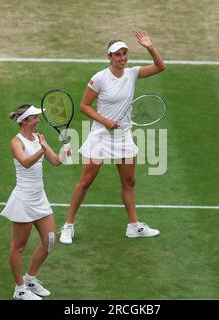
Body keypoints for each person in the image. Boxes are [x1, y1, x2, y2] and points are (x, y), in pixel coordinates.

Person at [59, 30, 166, 244]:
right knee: (85, 181)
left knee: (129, 181)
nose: (123, 58)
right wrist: (105, 121)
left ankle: (133, 226)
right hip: (101, 136)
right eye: (118, 54)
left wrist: (150, 47)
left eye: (125, 54)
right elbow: (84, 106)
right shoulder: (99, 78)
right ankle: (68, 226)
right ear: (110, 57)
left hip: (123, 137)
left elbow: (160, 67)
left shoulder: (133, 73)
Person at [1, 104, 71, 300]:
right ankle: (20, 289)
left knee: (49, 241)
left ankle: (30, 278)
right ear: (24, 121)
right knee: (19, 246)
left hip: (40, 199)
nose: (38, 120)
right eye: (34, 117)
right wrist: (41, 149)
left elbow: (55, 161)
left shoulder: (39, 138)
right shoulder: (16, 142)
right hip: (24, 200)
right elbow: (25, 162)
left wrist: (64, 153)